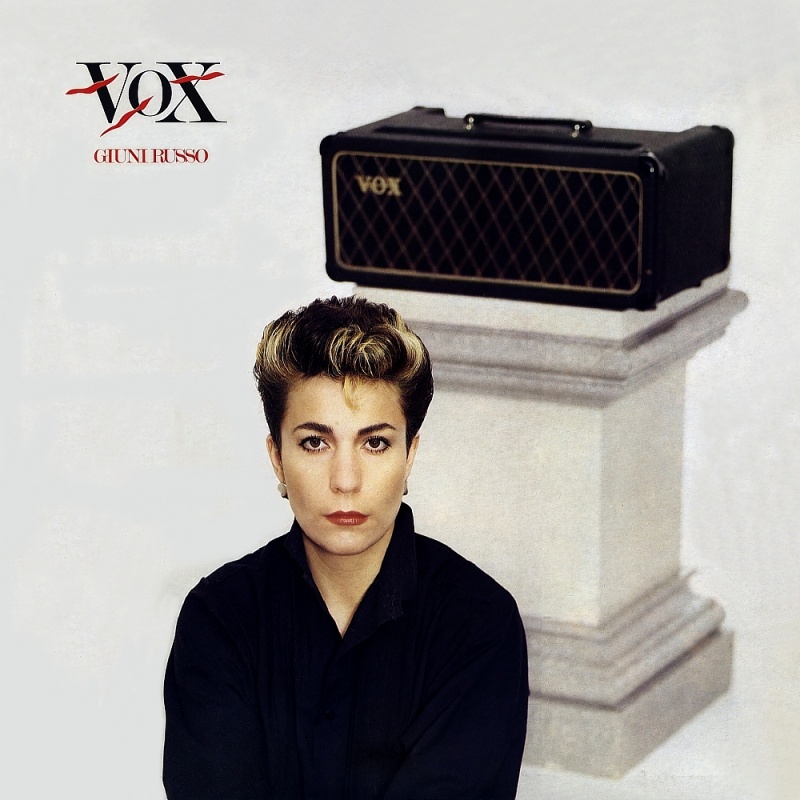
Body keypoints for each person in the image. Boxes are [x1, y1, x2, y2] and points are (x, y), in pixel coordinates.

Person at [163, 296, 529, 800]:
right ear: (277, 457)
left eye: (375, 442)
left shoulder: (478, 622)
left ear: (409, 455)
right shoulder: (220, 617)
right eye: (315, 442)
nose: (346, 480)